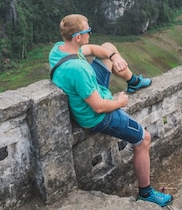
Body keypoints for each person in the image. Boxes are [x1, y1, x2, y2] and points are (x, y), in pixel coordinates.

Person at [49, 14, 173, 207]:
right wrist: (120, 102)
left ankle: (133, 81)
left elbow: (90, 49)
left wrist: (115, 57)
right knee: (143, 139)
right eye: (88, 31)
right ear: (78, 37)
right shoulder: (78, 69)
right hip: (97, 116)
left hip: (90, 89)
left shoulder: (59, 49)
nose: (91, 33)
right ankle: (146, 192)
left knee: (108, 48)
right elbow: (98, 106)